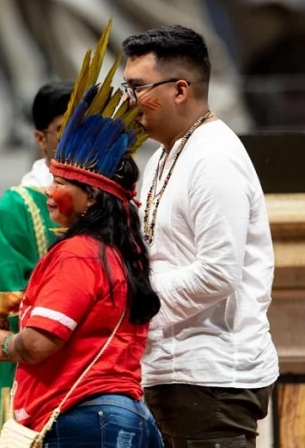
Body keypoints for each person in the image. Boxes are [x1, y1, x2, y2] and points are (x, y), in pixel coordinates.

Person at [0, 22, 163, 447]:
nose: (48, 190)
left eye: (61, 183)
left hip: (85, 415)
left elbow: (41, 344)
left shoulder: (80, 254)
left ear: (92, 199)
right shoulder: (118, 251)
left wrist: (4, 345)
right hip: (116, 412)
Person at [122, 25, 278, 447]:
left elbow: (217, 273)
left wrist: (133, 297)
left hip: (213, 374)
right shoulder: (161, 157)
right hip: (173, 367)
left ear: (179, 89)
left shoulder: (214, 158)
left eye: (137, 87)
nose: (128, 101)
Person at [0, 81, 71, 447]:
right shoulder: (15, 209)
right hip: (34, 372)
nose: (78, 140)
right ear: (40, 137)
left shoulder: (109, 203)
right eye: (65, 130)